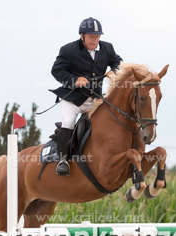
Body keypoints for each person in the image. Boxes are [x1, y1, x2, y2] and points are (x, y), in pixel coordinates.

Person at [50, 17, 122, 176]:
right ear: (82, 36)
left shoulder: (107, 48)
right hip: (73, 99)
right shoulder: (68, 50)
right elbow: (56, 71)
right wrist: (74, 80)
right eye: (91, 36)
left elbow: (119, 63)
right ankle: (63, 160)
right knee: (68, 122)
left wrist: (114, 71)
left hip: (95, 99)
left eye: (97, 36)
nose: (95, 40)